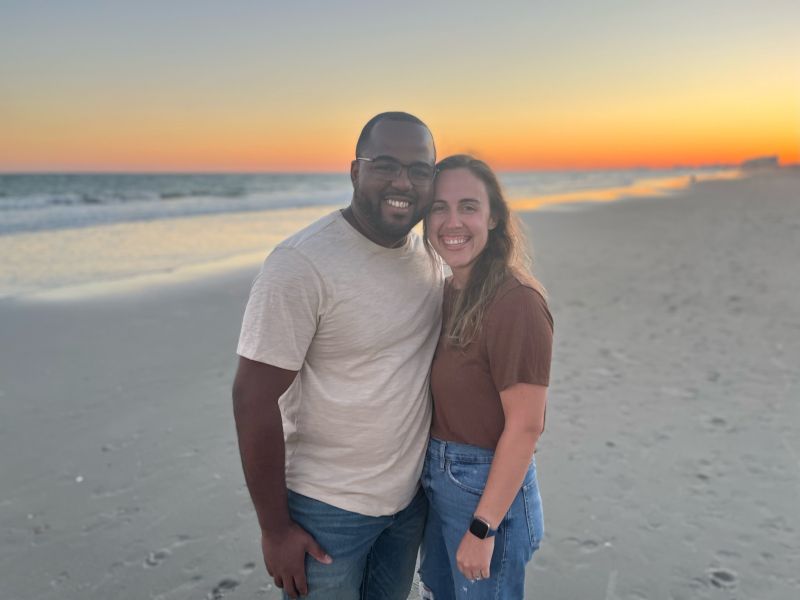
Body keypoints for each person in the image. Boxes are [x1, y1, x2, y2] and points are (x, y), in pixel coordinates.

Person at [232, 112, 444, 599]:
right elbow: (251, 398)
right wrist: (274, 530)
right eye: (385, 165)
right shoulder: (301, 264)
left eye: (419, 170)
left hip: (408, 504)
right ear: (355, 171)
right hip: (325, 512)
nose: (402, 182)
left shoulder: (430, 258)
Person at [419, 155, 553, 599]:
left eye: (468, 207)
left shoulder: (516, 301)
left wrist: (483, 527)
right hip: (438, 480)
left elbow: (526, 425)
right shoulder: (447, 291)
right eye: (439, 207)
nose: (452, 222)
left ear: (493, 217)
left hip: (485, 492)